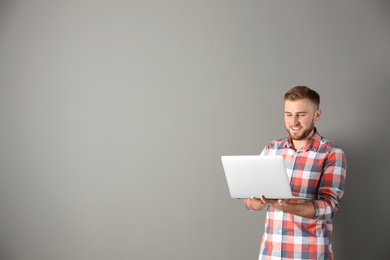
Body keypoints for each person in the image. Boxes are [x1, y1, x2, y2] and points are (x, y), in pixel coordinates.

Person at [244, 86, 347, 260]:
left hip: (309, 255)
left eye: (301, 114)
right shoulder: (271, 149)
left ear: (317, 115)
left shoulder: (331, 153)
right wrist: (258, 203)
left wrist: (287, 206)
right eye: (288, 114)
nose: (294, 121)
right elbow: (249, 202)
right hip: (270, 254)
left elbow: (329, 207)